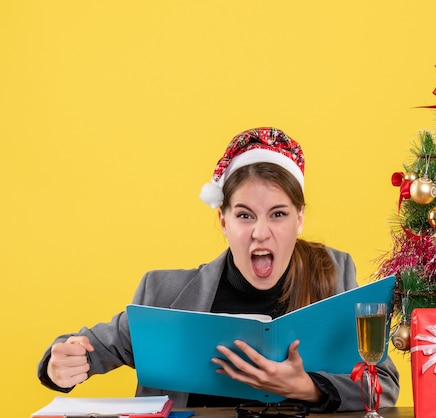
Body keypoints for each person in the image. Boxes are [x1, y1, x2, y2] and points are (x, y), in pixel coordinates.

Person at [37, 127, 400, 412]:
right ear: (223, 220)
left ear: (300, 218)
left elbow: (384, 384)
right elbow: (88, 347)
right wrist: (61, 363)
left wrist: (306, 387)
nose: (261, 232)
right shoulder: (165, 294)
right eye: (244, 215)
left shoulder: (336, 277)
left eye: (278, 214)